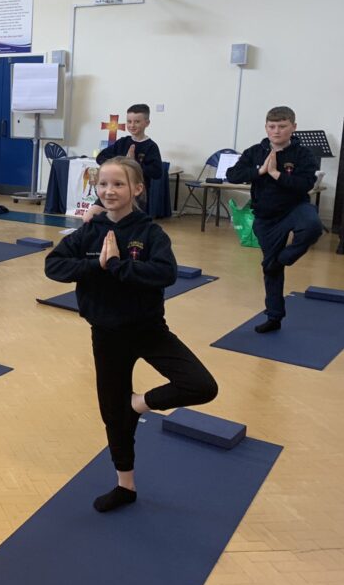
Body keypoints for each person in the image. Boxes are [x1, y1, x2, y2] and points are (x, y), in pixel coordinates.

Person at [45, 157, 218, 512]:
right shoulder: (89, 232)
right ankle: (126, 485)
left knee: (201, 385)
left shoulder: (151, 233)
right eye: (103, 184)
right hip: (106, 335)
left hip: (148, 330)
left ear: (137, 189)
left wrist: (120, 265)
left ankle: (138, 404)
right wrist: (97, 263)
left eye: (118, 184)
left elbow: (164, 273)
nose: (109, 191)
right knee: (113, 415)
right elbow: (54, 265)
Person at [225, 106, 323, 333]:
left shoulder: (303, 154)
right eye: (272, 127)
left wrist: (277, 174)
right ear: (266, 127)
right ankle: (274, 316)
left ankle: (284, 258)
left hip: (295, 208)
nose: (276, 131)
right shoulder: (255, 152)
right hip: (266, 216)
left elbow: (305, 184)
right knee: (271, 270)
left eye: (282, 126)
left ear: (293, 127)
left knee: (313, 227)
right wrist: (260, 170)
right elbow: (233, 175)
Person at [82, 104, 162, 223]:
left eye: (137, 122)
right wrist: (121, 162)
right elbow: (100, 157)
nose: (132, 125)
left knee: (126, 225)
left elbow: (157, 172)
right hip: (112, 189)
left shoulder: (151, 147)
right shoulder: (122, 142)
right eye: (129, 121)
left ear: (147, 123)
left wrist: (134, 164)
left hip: (136, 195)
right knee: (88, 219)